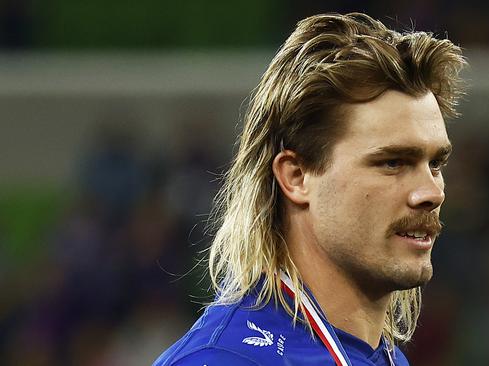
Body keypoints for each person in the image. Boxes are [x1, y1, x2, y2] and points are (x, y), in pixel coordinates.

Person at [154, 12, 466, 366]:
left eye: (435, 164)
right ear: (297, 176)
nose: (431, 192)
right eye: (393, 163)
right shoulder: (223, 359)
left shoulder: (384, 358)